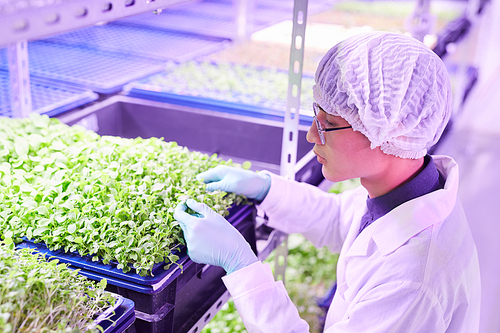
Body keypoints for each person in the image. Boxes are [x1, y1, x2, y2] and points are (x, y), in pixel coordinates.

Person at [174, 31, 481, 332]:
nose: (310, 136)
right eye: (315, 116)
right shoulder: (404, 189)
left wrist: (241, 266)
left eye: (328, 125)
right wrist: (267, 189)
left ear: (393, 129)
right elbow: (338, 218)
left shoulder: (414, 283)